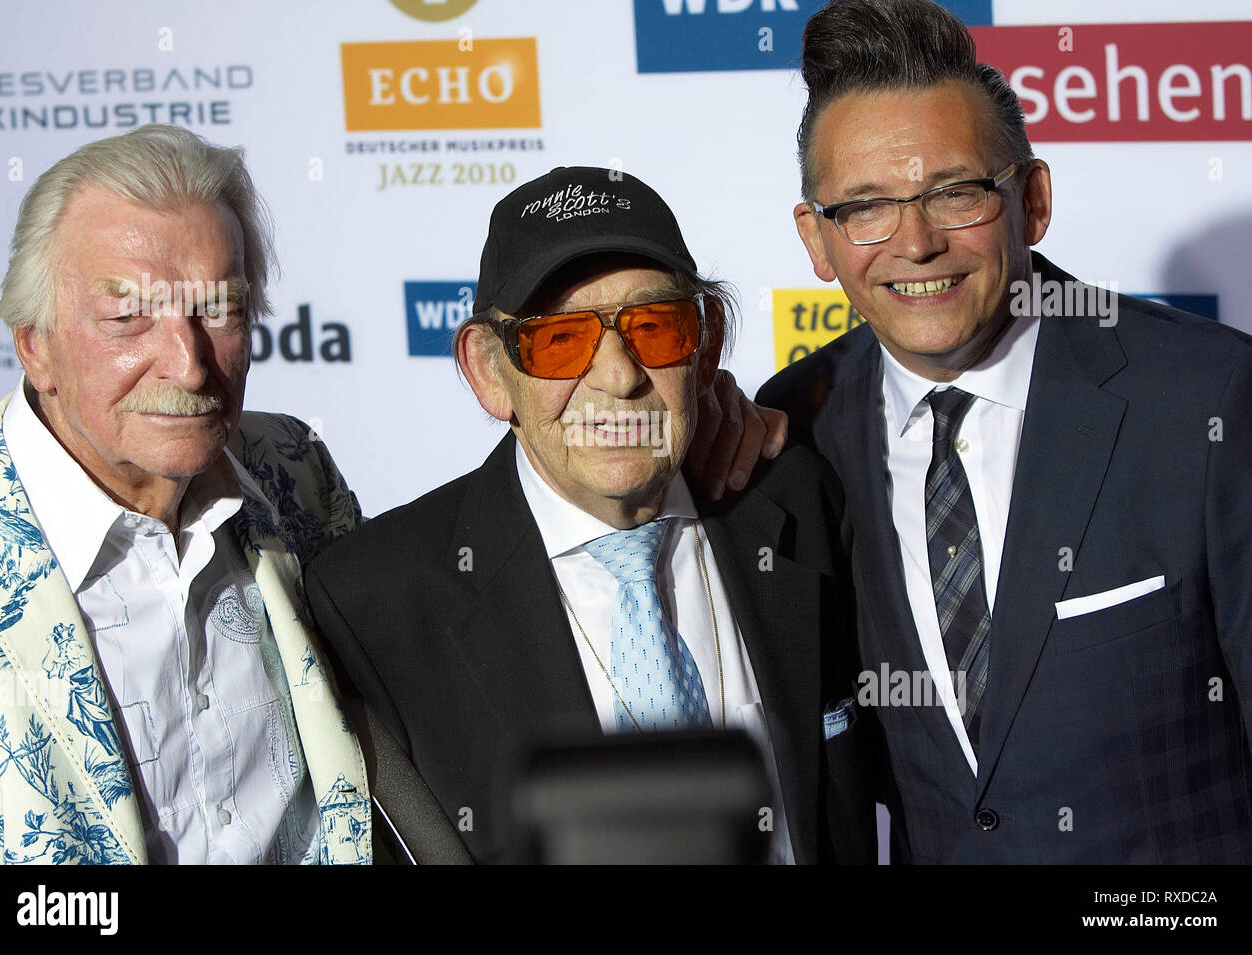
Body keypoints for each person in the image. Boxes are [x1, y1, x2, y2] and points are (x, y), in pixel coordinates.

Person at [758, 0, 1252, 863]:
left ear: (1030, 199)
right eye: (867, 208)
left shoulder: (1208, 399)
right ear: (818, 238)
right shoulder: (799, 424)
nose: (915, 244)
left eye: (954, 193)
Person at [305, 166, 876, 864]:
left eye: (656, 327)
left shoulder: (799, 501)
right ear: (489, 371)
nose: (619, 375)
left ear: (707, 343)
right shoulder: (375, 602)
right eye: (560, 340)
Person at [0, 125, 372, 865]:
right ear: (35, 343)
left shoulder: (296, 471)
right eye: (128, 318)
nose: (189, 366)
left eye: (217, 309)